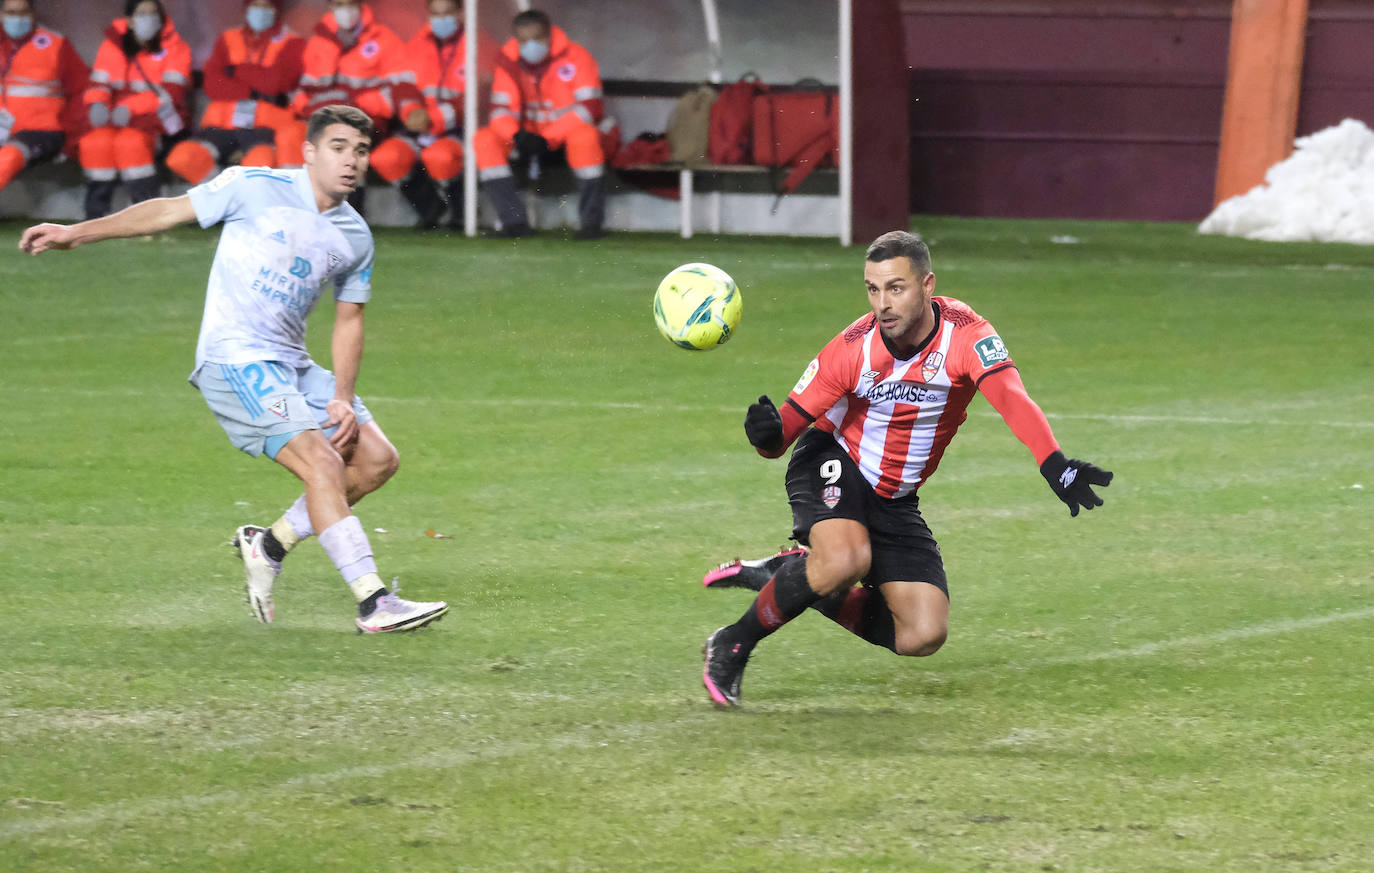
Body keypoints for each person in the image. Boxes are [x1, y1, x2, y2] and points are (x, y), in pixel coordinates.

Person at [19, 104, 449, 634]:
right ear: (309, 152)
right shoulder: (252, 186)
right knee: (323, 465)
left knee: (377, 460)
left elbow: (349, 320)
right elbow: (165, 211)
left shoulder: (355, 236)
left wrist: (342, 395)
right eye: (338, 148)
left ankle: (267, 545)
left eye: (360, 151)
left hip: (289, 362)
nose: (351, 161)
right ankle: (373, 602)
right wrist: (77, 233)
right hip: (234, 358)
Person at [700, 230, 1113, 707]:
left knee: (922, 633)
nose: (883, 304)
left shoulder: (967, 335)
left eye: (896, 288)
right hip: (832, 461)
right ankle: (731, 644)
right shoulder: (852, 348)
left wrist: (1054, 465)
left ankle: (797, 577)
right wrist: (767, 433)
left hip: (894, 497)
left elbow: (1012, 399)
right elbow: (781, 440)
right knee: (845, 560)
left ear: (927, 286)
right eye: (873, 289)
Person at [474, 9, 607, 239]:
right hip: (527, 140)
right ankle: (514, 223)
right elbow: (500, 111)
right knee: (485, 139)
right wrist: (517, 136)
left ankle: (591, 224)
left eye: (537, 38)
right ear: (516, 38)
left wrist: (549, 137)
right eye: (523, 40)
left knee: (585, 137)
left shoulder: (577, 57)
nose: (530, 45)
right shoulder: (508, 60)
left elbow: (590, 108)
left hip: (564, 138)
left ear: (550, 36)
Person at [164, 0, 305, 186]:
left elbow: (277, 83)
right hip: (219, 128)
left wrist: (235, 71)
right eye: (256, 5)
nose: (260, 11)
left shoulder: (293, 42)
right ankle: (225, 198)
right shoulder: (228, 38)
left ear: (276, 9)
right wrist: (255, 88)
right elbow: (212, 84)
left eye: (266, 6)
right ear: (247, 8)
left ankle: (244, 204)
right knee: (183, 157)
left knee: (259, 163)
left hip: (265, 129)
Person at [79, 0, 191, 219]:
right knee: (94, 143)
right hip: (114, 119)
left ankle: (147, 213)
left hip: (156, 121)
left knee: (130, 143)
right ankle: (95, 214)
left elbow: (172, 94)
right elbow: (98, 83)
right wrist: (97, 102)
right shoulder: (111, 45)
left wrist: (130, 107)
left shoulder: (176, 47)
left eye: (153, 14)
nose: (148, 19)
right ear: (129, 20)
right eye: (142, 14)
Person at [370, 0, 467, 229]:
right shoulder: (416, 45)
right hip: (417, 125)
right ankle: (430, 210)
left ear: (460, 12)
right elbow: (401, 84)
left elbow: (476, 97)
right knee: (384, 157)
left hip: (456, 126)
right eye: (435, 13)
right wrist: (411, 111)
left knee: (440, 156)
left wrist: (434, 118)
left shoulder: (474, 44)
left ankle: (458, 215)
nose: (440, 19)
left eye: (447, 13)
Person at [0, 0, 89, 195]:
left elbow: (82, 92)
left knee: (9, 156)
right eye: (11, 13)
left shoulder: (55, 44)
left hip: (42, 131)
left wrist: (70, 138)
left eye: (23, 12)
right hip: (4, 129)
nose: (17, 18)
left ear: (34, 14)